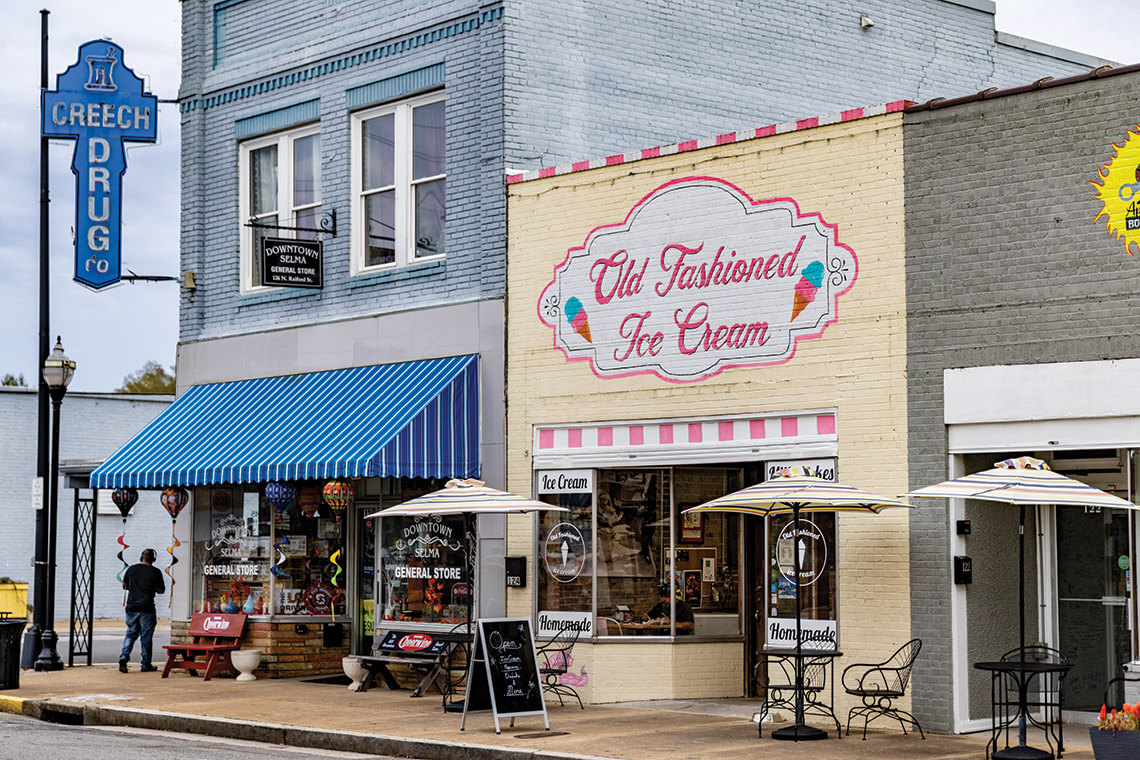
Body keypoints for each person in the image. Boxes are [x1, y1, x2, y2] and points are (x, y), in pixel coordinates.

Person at [119, 548, 165, 673]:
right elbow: (161, 590)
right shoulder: (156, 572)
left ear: (141, 557)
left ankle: (124, 657)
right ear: (153, 559)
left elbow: (125, 585)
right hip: (147, 608)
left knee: (130, 633)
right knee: (146, 637)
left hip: (131, 607)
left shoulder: (131, 569)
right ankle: (145, 664)